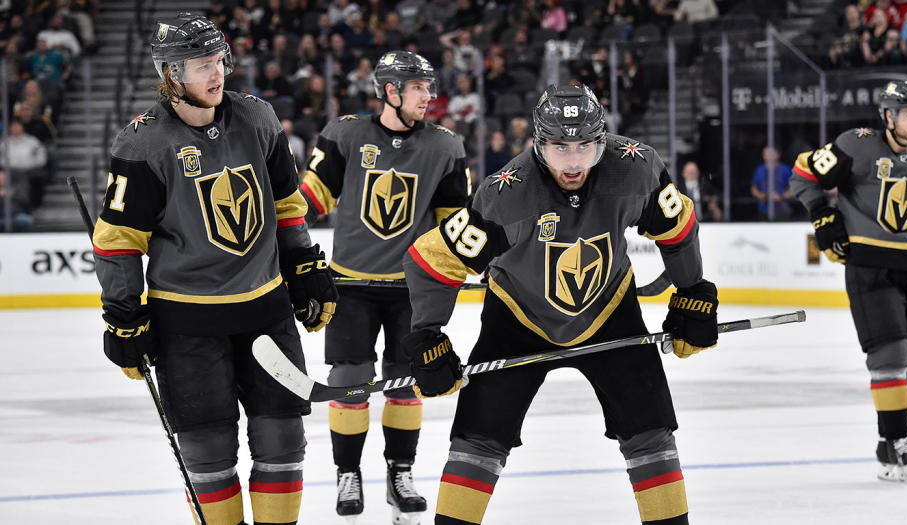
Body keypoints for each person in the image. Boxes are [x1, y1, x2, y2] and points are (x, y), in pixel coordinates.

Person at [401, 82, 719, 524]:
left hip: (611, 310)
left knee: (650, 427)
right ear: (537, 142)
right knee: (478, 434)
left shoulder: (636, 169)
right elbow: (430, 261)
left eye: (585, 147)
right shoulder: (505, 195)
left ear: (602, 139)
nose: (573, 163)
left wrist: (692, 291)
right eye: (559, 148)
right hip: (517, 318)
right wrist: (426, 337)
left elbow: (677, 224)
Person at [91, 14, 338, 524]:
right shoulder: (142, 144)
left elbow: (288, 205)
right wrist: (122, 314)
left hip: (266, 310)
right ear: (171, 74)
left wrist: (304, 268)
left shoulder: (259, 118)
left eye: (219, 60)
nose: (217, 73)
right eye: (202, 65)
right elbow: (117, 242)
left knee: (283, 437)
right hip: (187, 323)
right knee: (208, 449)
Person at [297, 49, 469, 524]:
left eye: (428, 87)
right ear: (390, 91)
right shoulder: (345, 133)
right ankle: (347, 474)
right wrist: (273, 234)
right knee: (349, 384)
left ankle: (401, 473)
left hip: (411, 290)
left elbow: (455, 223)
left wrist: (479, 264)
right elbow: (310, 198)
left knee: (405, 386)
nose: (428, 96)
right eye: (418, 87)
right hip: (349, 286)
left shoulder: (446, 146)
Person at [790, 80, 907, 483]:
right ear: (889, 115)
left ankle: (890, 442)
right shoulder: (857, 145)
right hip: (871, 264)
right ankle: (899, 441)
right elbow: (802, 171)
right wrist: (823, 216)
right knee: (891, 353)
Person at [750, 146, 794, 220]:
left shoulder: (785, 169)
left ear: (777, 155)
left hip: (782, 208)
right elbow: (754, 188)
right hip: (763, 209)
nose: (767, 156)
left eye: (770, 153)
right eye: (765, 154)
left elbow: (793, 188)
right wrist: (762, 196)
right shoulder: (759, 170)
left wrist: (782, 196)